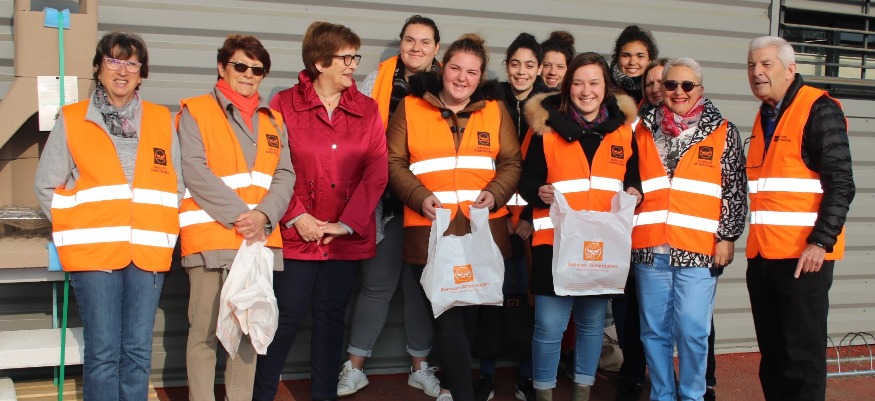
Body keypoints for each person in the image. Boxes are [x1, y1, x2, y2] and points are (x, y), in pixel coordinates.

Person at [34, 31, 182, 401]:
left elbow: (176, 186)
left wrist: (161, 226)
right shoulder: (72, 119)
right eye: (113, 60)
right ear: (98, 68)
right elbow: (46, 185)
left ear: (141, 73)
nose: (122, 70)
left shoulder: (161, 119)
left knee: (138, 352)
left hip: (148, 252)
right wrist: (76, 228)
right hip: (94, 256)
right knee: (102, 353)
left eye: (132, 63)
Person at [252, 22, 387, 401]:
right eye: (346, 58)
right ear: (319, 62)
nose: (353, 65)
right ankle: (261, 394)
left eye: (355, 57)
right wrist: (296, 215)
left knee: (330, 321)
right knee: (286, 317)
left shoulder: (367, 109)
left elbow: (376, 172)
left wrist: (346, 224)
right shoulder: (284, 104)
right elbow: (271, 165)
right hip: (296, 235)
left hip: (342, 240)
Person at [387, 33, 522, 401]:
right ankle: (462, 394)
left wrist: (496, 193)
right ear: (442, 68)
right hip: (430, 233)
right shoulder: (411, 107)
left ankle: (453, 388)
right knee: (447, 318)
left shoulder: (494, 109)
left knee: (468, 319)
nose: (462, 78)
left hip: (482, 234)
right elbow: (393, 161)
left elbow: (511, 162)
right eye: (456, 69)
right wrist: (419, 197)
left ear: (481, 77)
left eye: (472, 72)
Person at [177, 34, 295, 401]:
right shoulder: (196, 111)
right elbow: (195, 171)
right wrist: (243, 217)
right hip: (211, 241)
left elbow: (285, 175)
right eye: (240, 65)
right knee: (204, 334)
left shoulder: (274, 121)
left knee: (248, 332)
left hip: (257, 243)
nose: (248, 74)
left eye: (257, 70)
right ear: (221, 67)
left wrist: (263, 216)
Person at [519, 52, 641, 401]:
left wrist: (635, 191)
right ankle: (543, 393)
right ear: (567, 86)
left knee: (591, 325)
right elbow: (527, 182)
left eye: (594, 83)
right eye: (578, 83)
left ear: (606, 87)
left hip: (600, 245)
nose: (586, 91)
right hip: (553, 242)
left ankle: (582, 393)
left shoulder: (622, 131)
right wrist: (538, 192)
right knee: (549, 326)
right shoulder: (545, 129)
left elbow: (632, 178)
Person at [337, 15, 442, 398]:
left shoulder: (448, 87)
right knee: (376, 286)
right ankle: (354, 368)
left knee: (421, 289)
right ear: (401, 43)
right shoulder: (374, 82)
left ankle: (420, 368)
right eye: (410, 40)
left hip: (429, 205)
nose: (416, 47)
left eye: (425, 42)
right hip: (385, 204)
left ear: (436, 49)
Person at [745, 36, 855, 401]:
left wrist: (821, 241)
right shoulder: (765, 116)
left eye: (766, 64)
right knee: (774, 357)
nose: (757, 72)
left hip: (804, 258)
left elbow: (841, 183)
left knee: (802, 358)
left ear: (790, 69)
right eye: (751, 65)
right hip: (764, 256)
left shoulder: (817, 108)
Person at [631, 57, 746, 401]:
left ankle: (693, 394)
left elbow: (734, 190)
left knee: (693, 331)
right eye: (670, 84)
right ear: (661, 88)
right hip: (650, 248)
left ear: (700, 89)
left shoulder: (723, 130)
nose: (678, 92)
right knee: (654, 332)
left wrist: (727, 236)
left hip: (698, 250)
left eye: (687, 85)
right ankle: (663, 394)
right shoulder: (640, 128)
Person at [472, 32, 547, 401]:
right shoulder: (489, 102)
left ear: (540, 69)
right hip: (494, 214)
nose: (521, 71)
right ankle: (485, 374)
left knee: (527, 298)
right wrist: (497, 212)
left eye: (529, 65)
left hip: (532, 221)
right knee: (490, 295)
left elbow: (548, 170)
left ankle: (526, 376)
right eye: (515, 63)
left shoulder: (549, 109)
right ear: (506, 66)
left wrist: (529, 216)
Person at [613, 57, 669, 401]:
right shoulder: (633, 125)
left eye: (662, 82)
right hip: (633, 232)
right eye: (649, 84)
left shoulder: (698, 126)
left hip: (676, 236)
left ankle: (701, 381)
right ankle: (633, 373)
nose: (656, 89)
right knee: (630, 309)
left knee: (688, 320)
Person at [610, 25, 658, 105]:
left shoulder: (658, 89)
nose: (632, 62)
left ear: (649, 60)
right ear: (618, 58)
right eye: (626, 56)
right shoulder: (605, 86)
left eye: (640, 56)